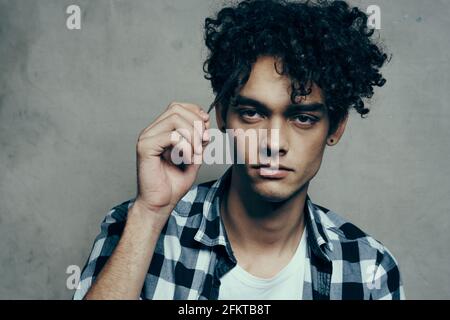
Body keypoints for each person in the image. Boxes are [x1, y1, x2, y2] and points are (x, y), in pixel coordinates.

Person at [74, 0, 404, 300]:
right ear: (222, 117)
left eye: (302, 118)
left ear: (335, 127)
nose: (274, 143)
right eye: (252, 113)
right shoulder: (136, 227)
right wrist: (149, 214)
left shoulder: (368, 270)